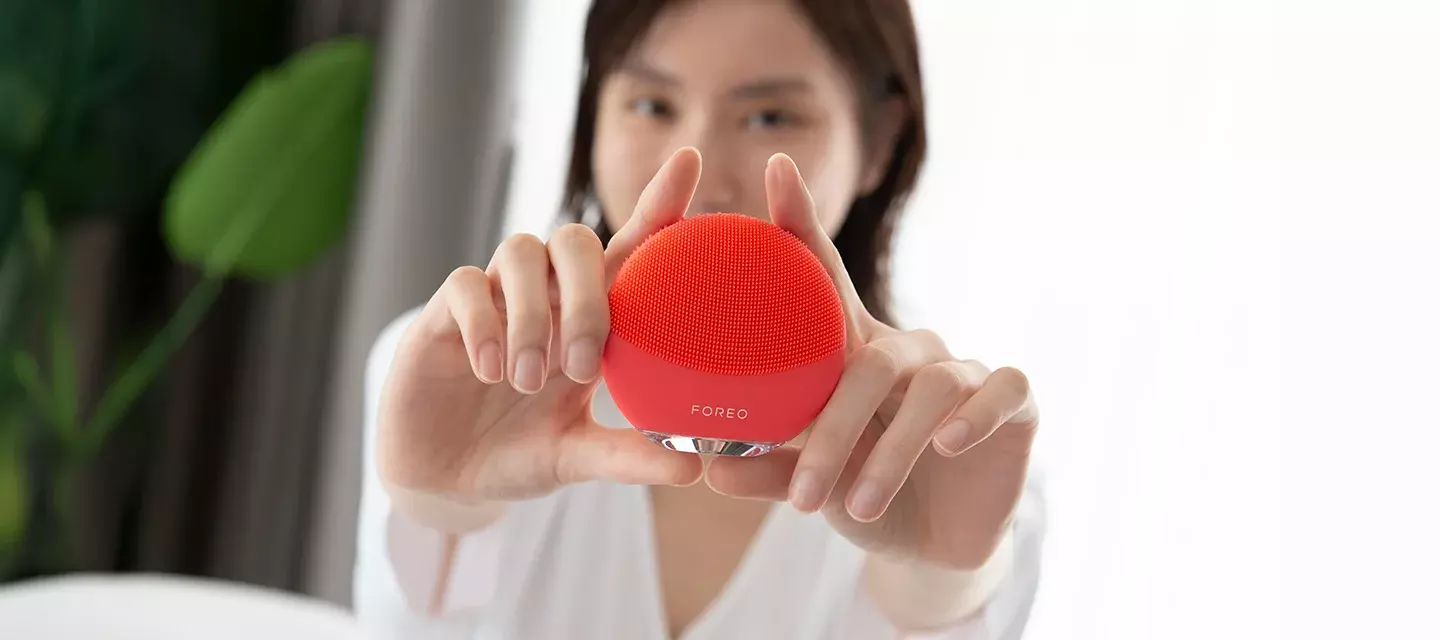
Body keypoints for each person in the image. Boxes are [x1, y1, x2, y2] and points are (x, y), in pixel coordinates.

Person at [354, 0, 1046, 638]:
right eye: (651, 104)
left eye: (771, 116)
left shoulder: (953, 445)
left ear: (880, 141)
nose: (705, 175)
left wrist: (946, 579)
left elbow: (940, 590)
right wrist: (434, 507)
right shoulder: (471, 368)